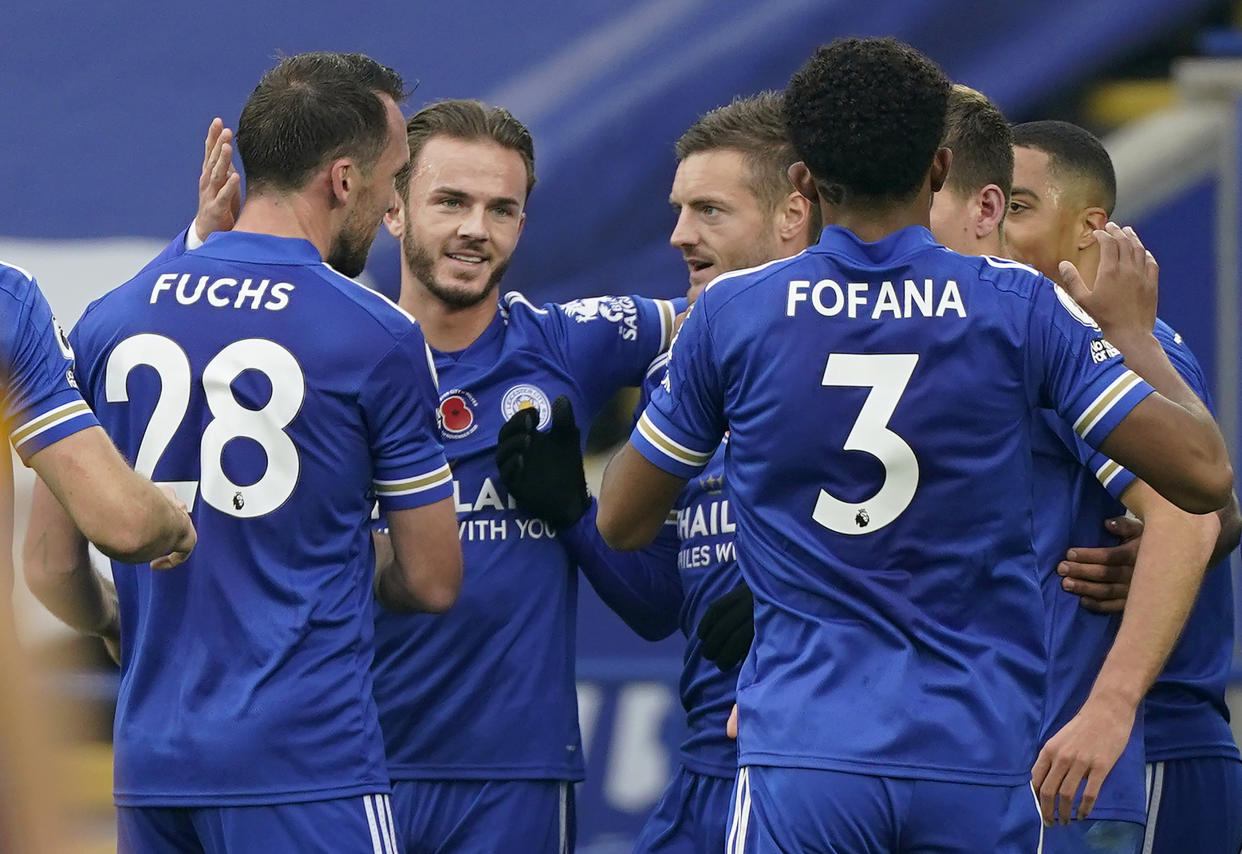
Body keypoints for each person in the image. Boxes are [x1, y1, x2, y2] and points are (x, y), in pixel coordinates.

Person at [596, 36, 1232, 854]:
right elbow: (1206, 476)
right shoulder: (1020, 308)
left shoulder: (734, 314)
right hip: (976, 754)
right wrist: (1134, 340)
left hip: (806, 751)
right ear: (939, 168)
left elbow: (621, 519)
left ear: (804, 180)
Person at [26, 52, 463, 854]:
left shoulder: (108, 321)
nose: (393, 200)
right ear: (340, 179)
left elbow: (51, 564)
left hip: (153, 770)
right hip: (306, 766)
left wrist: (119, 618)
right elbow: (432, 578)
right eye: (392, 176)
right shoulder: (377, 334)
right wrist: (319, 546)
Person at [369, 99, 682, 854]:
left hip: (512, 777)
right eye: (451, 201)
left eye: (501, 208)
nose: (476, 227)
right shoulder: (335, 356)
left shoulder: (568, 343)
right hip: (350, 764)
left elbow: (741, 317)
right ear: (393, 210)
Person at [1005, 120, 1242, 853]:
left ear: (1090, 227)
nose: (990, 225)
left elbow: (1200, 508)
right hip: (1094, 747)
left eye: (1016, 206)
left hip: (1149, 743)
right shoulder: (1024, 339)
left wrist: (1186, 538)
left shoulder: (1090, 344)